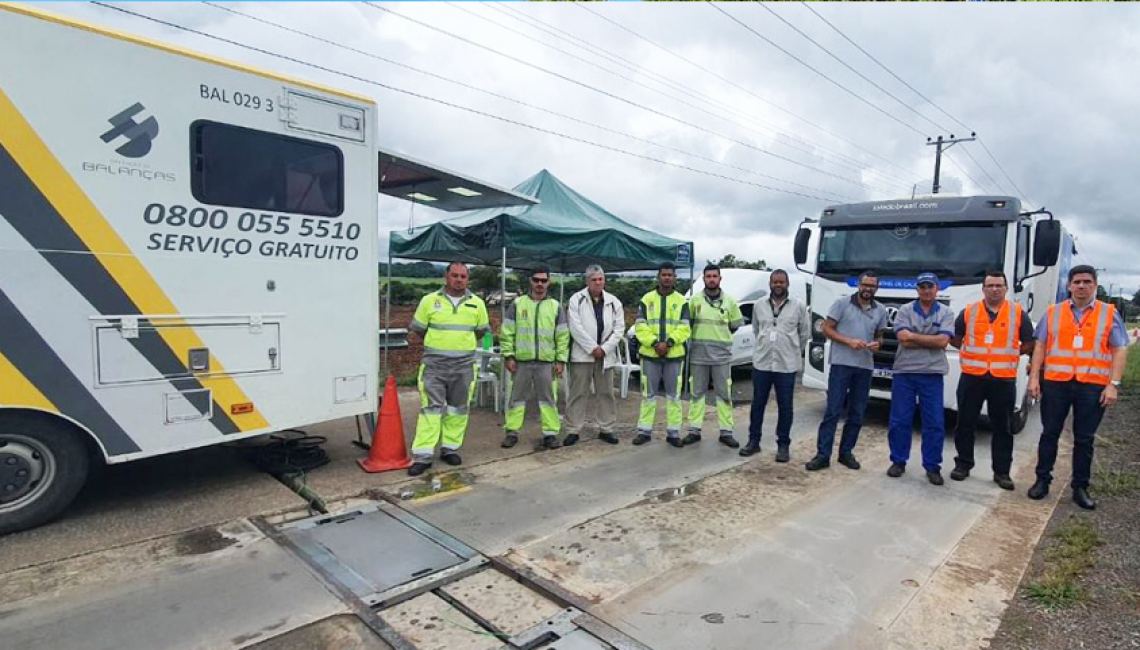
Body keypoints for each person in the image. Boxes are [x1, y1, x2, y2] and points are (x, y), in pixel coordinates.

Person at [1027, 265, 1129, 510]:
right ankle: (1042, 481)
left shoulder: (1108, 313)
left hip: (1092, 386)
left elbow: (1120, 349)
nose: (1081, 286)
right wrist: (1033, 378)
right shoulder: (1053, 313)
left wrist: (1113, 384)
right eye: (1077, 282)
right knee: (1049, 433)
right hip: (1056, 383)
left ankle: (1080, 487)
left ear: (1095, 285)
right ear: (1069, 285)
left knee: (1084, 439)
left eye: (1086, 281)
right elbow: (1040, 346)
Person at [949, 270, 1035, 491]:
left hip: (1003, 379)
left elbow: (1028, 343)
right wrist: (975, 356)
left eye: (999, 285)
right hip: (972, 377)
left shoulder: (1018, 314)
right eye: (990, 285)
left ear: (1006, 289)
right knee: (965, 423)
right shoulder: (968, 312)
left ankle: (1002, 472)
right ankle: (963, 464)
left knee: (1003, 428)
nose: (995, 289)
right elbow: (956, 339)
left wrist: (1008, 355)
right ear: (983, 289)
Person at [407, 262, 490, 476]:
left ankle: (450, 448)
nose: (459, 279)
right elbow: (418, 330)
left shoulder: (477, 304)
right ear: (446, 276)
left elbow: (480, 332)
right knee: (430, 410)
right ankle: (423, 456)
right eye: (455, 275)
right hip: (434, 365)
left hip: (463, 366)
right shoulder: (429, 301)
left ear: (468, 279)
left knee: (458, 409)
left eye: (463, 276)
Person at [807, 270, 888, 471]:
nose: (868, 289)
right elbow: (826, 328)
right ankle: (822, 455)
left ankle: (846, 452)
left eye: (872, 286)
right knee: (833, 411)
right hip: (841, 364)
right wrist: (848, 341)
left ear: (876, 288)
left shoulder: (880, 311)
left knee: (857, 413)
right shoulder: (842, 304)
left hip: (865, 366)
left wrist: (878, 343)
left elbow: (880, 336)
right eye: (865, 285)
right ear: (858, 285)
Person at [886, 273, 956, 485]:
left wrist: (914, 335)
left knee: (934, 422)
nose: (926, 290)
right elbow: (903, 340)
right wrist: (930, 340)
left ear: (937, 289)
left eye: (930, 286)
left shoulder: (946, 312)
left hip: (932, 374)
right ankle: (898, 461)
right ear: (917, 289)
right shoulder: (905, 310)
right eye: (922, 286)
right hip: (904, 372)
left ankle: (932, 466)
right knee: (899, 420)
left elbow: (943, 342)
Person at [742, 269, 811, 461]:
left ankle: (783, 446)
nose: (778, 285)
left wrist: (791, 349)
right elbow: (757, 329)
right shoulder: (759, 305)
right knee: (758, 404)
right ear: (770, 284)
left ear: (787, 284)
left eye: (782, 282)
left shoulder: (798, 307)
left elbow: (804, 334)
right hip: (762, 363)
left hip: (786, 365)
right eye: (775, 282)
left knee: (785, 407)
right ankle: (753, 441)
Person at [501, 266, 570, 450]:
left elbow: (562, 335)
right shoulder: (517, 304)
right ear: (530, 281)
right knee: (516, 398)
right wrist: (508, 355)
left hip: (546, 363)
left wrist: (561, 360)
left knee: (548, 399)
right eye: (536, 280)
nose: (540, 284)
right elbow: (507, 331)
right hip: (522, 362)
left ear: (549, 282)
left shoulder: (555, 307)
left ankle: (550, 434)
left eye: (543, 280)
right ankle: (512, 432)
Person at [684, 264, 745, 449]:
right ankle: (694, 430)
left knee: (724, 394)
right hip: (698, 356)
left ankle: (726, 432)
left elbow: (735, 325)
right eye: (708, 276)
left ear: (720, 279)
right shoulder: (694, 301)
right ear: (703, 279)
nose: (711, 279)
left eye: (714, 276)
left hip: (722, 357)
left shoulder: (730, 302)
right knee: (696, 394)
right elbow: (688, 325)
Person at [565, 265, 625, 446]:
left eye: (600, 279)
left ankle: (606, 428)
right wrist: (592, 348)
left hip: (605, 356)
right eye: (594, 279)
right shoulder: (577, 300)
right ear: (587, 281)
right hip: (583, 355)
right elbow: (575, 327)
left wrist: (605, 349)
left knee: (606, 393)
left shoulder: (614, 302)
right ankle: (573, 429)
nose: (598, 283)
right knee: (578, 393)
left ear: (604, 280)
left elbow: (619, 328)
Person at [633, 262, 691, 447]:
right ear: (658, 277)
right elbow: (640, 327)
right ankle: (644, 431)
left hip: (674, 356)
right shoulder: (647, 299)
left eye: (670, 275)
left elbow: (685, 327)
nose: (666, 277)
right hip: (650, 354)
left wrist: (670, 343)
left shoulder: (682, 301)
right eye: (663, 274)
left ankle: (674, 433)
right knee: (648, 395)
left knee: (674, 396)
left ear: (674, 278)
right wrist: (655, 343)